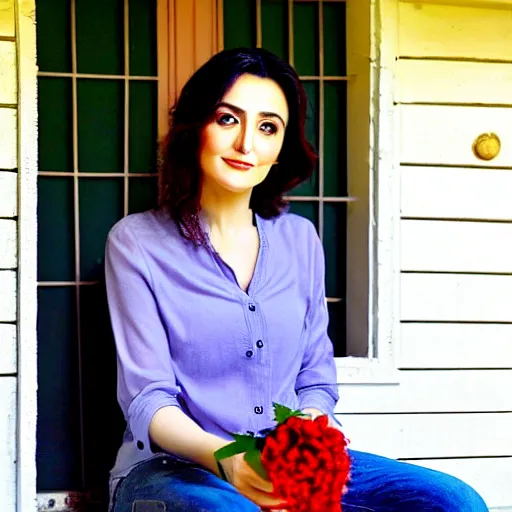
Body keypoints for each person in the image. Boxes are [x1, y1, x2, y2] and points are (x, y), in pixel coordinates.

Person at [105, 47, 488, 512]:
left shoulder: (300, 240)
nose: (247, 144)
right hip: (174, 470)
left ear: (282, 146)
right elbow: (148, 399)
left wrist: (301, 454)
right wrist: (229, 462)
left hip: (282, 463)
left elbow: (315, 378)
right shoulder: (136, 242)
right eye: (228, 119)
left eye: (268, 127)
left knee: (452, 501)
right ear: (196, 127)